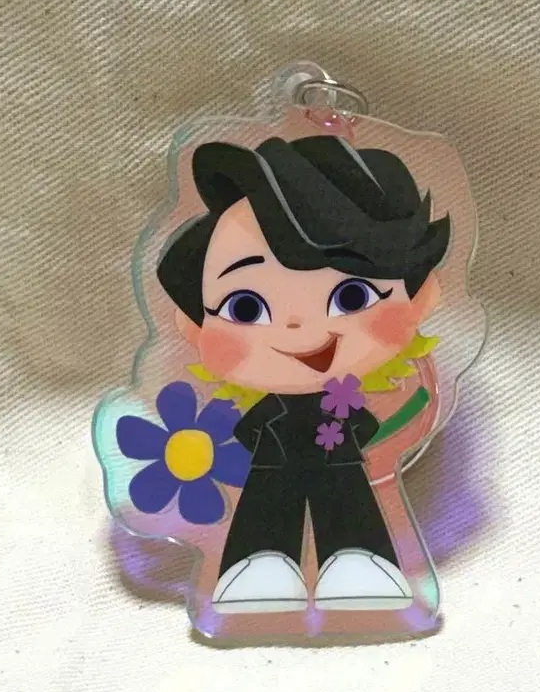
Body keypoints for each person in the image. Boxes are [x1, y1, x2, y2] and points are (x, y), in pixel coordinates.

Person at [156, 135, 450, 613]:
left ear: (420, 300)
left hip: (340, 458)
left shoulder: (348, 402)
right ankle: (257, 562)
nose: (296, 328)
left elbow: (372, 430)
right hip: (271, 461)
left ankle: (360, 559)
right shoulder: (270, 411)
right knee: (266, 500)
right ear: (195, 329)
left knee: (348, 496)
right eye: (245, 307)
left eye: (351, 297)